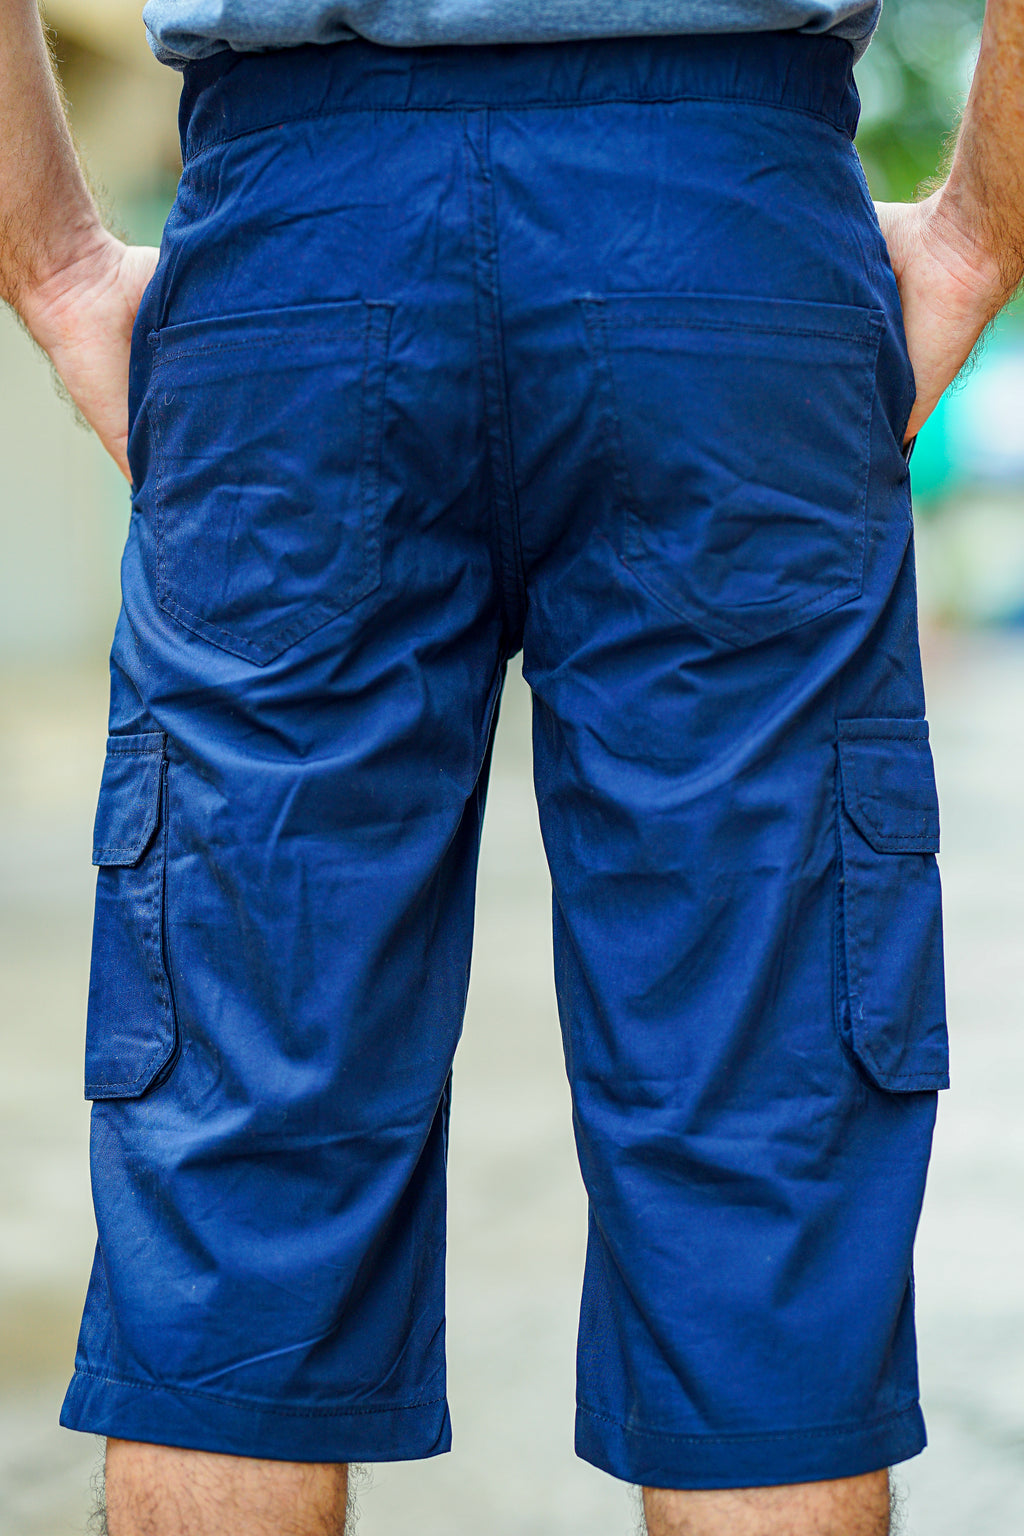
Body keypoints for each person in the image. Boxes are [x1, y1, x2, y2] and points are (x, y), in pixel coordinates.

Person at [2, 1, 1022, 1532]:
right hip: (723, 238)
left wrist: (52, 256)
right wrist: (980, 235)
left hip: (302, 243)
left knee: (240, 1161)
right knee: (760, 1146)